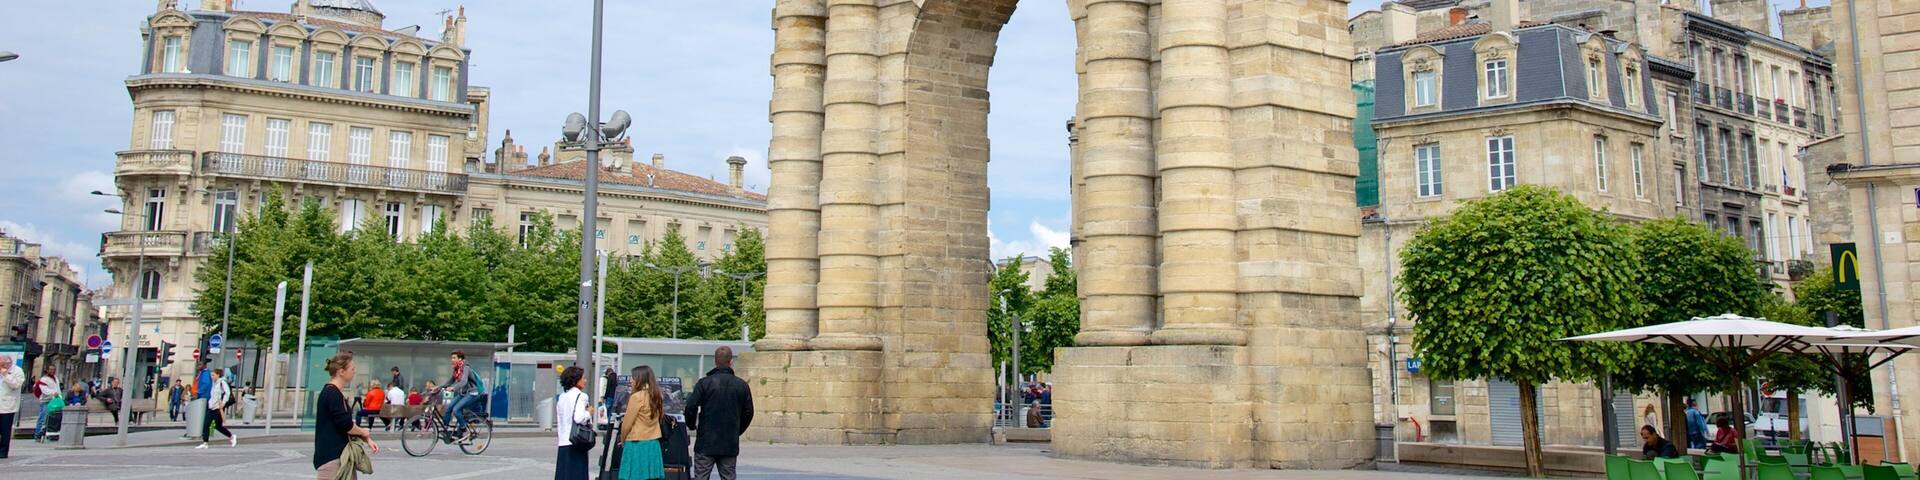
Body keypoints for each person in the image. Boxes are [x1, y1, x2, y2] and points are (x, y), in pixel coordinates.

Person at [685, 346, 753, 480]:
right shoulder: (742, 385)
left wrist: (692, 425)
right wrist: (737, 430)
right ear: (731, 362)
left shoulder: (704, 383)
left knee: (701, 476)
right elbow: (749, 412)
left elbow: (691, 407)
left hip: (706, 441)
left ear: (715, 361)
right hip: (729, 441)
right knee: (728, 476)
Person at [316, 352, 378, 479]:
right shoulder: (332, 394)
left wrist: (365, 437)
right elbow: (346, 425)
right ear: (341, 371)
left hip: (340, 457)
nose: (354, 372)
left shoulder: (333, 392)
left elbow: (343, 423)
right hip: (333, 457)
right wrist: (363, 431)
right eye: (352, 369)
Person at [619, 366, 667, 480]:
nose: (631, 380)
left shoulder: (636, 397)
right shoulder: (657, 396)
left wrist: (623, 440)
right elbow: (660, 418)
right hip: (653, 443)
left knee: (633, 476)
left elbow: (626, 424)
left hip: (636, 443)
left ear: (640, 379)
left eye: (633, 377)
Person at [555, 366, 595, 480]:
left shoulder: (562, 397)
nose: (585, 380)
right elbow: (578, 418)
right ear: (575, 379)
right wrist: (589, 413)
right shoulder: (581, 396)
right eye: (583, 378)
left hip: (563, 441)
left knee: (564, 475)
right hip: (576, 441)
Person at [443, 351, 482, 435]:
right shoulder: (456, 369)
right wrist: (438, 388)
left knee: (456, 410)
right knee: (449, 408)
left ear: (460, 359)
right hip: (463, 393)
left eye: (454, 358)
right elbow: (450, 381)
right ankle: (445, 429)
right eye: (451, 358)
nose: (452, 360)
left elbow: (464, 381)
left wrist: (453, 388)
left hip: (472, 393)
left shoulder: (465, 367)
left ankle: (464, 429)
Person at [198, 368, 238, 448]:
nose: (212, 377)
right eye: (211, 375)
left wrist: (223, 403)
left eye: (213, 375)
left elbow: (227, 393)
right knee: (206, 424)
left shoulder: (222, 382)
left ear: (218, 375)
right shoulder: (214, 383)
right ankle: (205, 442)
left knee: (218, 426)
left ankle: (231, 436)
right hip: (211, 407)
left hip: (218, 407)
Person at [1, 355, 24, 458]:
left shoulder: (17, 371)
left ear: (8, 363)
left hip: (8, 406)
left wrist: (6, 374)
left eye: (2, 363)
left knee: (5, 429)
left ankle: (3, 451)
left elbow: (15, 385)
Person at [33, 365, 57, 442]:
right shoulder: (44, 379)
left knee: (51, 418)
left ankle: (48, 434)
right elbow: (44, 390)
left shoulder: (55, 378)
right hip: (45, 401)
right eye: (50, 369)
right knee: (43, 418)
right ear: (47, 370)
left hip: (53, 400)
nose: (52, 371)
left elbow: (57, 388)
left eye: (53, 369)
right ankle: (38, 434)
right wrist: (53, 393)